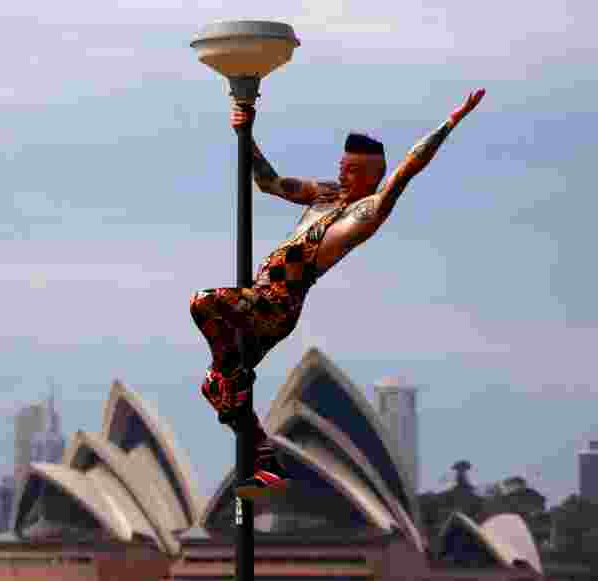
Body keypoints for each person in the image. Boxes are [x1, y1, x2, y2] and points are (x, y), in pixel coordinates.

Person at [190, 88, 486, 501]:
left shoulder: (366, 213)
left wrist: (452, 121)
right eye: (341, 166)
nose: (341, 173)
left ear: (368, 174)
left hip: (276, 305)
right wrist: (247, 132)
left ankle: (232, 374)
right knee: (213, 386)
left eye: (349, 169)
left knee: (204, 302)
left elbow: (407, 170)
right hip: (258, 299)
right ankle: (267, 463)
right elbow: (268, 182)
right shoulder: (325, 194)